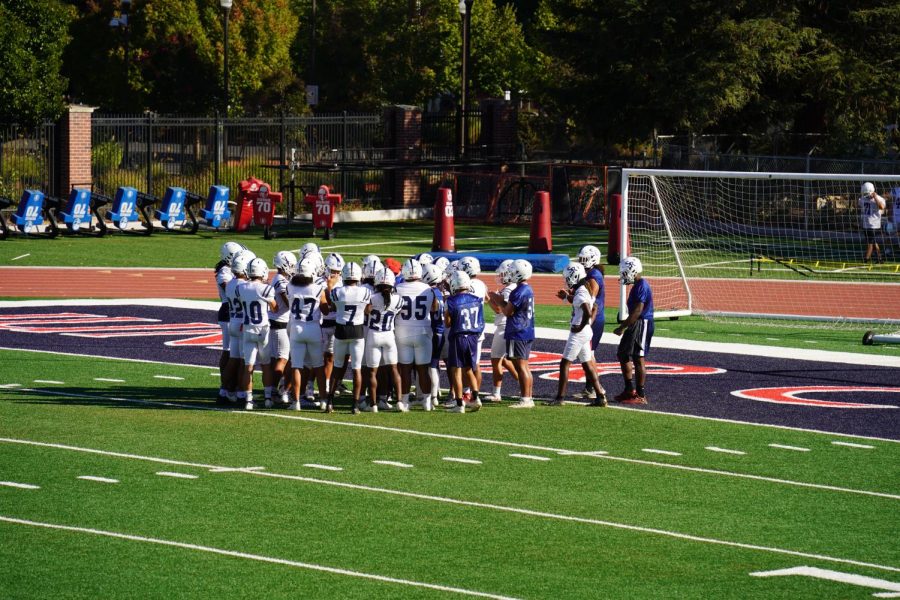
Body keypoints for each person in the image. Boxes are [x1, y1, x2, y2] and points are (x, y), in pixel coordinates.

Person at [549, 263, 606, 407]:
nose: (566, 280)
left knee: (564, 363)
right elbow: (593, 308)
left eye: (568, 277)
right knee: (587, 364)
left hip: (579, 332)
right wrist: (566, 297)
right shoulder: (584, 288)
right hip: (585, 331)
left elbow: (587, 310)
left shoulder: (581, 291)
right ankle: (600, 396)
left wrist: (580, 326)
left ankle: (560, 398)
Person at [561, 244, 608, 404]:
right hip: (590, 320)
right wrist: (567, 297)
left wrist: (585, 323)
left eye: (584, 259)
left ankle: (595, 390)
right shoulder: (590, 274)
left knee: (588, 356)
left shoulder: (594, 276)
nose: (581, 262)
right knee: (587, 357)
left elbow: (590, 303)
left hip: (592, 320)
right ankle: (593, 389)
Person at [488, 259, 535, 408]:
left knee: (521, 366)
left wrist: (497, 299)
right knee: (523, 366)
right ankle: (528, 397)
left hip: (517, 330)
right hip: (526, 329)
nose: (509, 274)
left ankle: (526, 399)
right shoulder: (527, 289)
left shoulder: (518, 291)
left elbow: (507, 312)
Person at [326, 262, 372, 413]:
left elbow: (332, 306)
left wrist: (330, 286)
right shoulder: (365, 292)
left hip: (341, 330)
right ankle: (355, 405)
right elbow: (368, 310)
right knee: (357, 369)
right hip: (357, 331)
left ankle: (330, 403)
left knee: (337, 367)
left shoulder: (337, 292)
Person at [286, 257, 329, 411]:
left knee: (296, 366)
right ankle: (324, 400)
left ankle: (296, 401)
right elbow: (325, 310)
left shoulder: (289, 286)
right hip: (313, 328)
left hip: (296, 328)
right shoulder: (318, 288)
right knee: (318, 366)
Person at [395, 258, 437, 410]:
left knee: (405, 368)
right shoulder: (428, 289)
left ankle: (404, 401)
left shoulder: (398, 288)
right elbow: (434, 309)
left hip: (402, 330)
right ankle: (427, 401)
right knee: (423, 369)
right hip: (423, 331)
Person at [613, 256, 653, 405]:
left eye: (624, 272)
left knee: (638, 357)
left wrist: (622, 327)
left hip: (642, 322)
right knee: (623, 353)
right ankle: (629, 389)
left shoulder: (642, 285)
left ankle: (641, 394)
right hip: (636, 322)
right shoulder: (637, 286)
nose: (622, 275)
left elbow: (638, 311)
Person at [237, 258, 277, 410]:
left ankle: (248, 400)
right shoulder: (266, 289)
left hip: (248, 329)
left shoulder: (241, 288)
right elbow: (274, 308)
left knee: (249, 366)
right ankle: (267, 398)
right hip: (263, 330)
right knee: (266, 365)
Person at [364, 268, 405, 411]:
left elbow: (366, 311)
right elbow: (397, 311)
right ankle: (399, 401)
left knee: (372, 372)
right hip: (389, 335)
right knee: (394, 369)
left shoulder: (372, 297)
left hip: (374, 335)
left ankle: (373, 404)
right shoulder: (398, 299)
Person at [444, 270, 484, 413]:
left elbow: (448, 323)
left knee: (456, 370)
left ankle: (459, 403)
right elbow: (480, 321)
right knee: (469, 368)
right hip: (473, 337)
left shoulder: (451, 301)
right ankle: (476, 397)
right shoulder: (477, 299)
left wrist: (446, 312)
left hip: (458, 337)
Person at [266, 250, 297, 407]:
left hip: (277, 322)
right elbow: (290, 302)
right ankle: (273, 392)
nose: (293, 268)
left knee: (277, 358)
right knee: (283, 358)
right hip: (280, 323)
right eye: (291, 265)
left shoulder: (280, 279)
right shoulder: (280, 281)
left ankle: (272, 391)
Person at [485, 259, 519, 401]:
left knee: (496, 359)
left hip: (504, 327)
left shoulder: (509, 289)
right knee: (506, 360)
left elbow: (499, 309)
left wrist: (488, 298)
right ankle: (523, 384)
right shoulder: (513, 288)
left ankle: (496, 393)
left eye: (503, 273)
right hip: (508, 327)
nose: (500, 276)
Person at [215, 241, 244, 404]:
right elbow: (231, 291)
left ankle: (228, 387)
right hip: (228, 312)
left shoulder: (230, 269)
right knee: (228, 351)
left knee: (234, 352)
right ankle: (225, 387)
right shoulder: (224, 272)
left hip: (232, 312)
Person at [859, 182, 887, 264]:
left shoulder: (879, 199)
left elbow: (881, 207)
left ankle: (866, 259)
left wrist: (875, 198)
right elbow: (859, 204)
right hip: (866, 224)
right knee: (873, 242)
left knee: (870, 243)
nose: (866, 195)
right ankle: (880, 258)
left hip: (874, 225)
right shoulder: (863, 199)